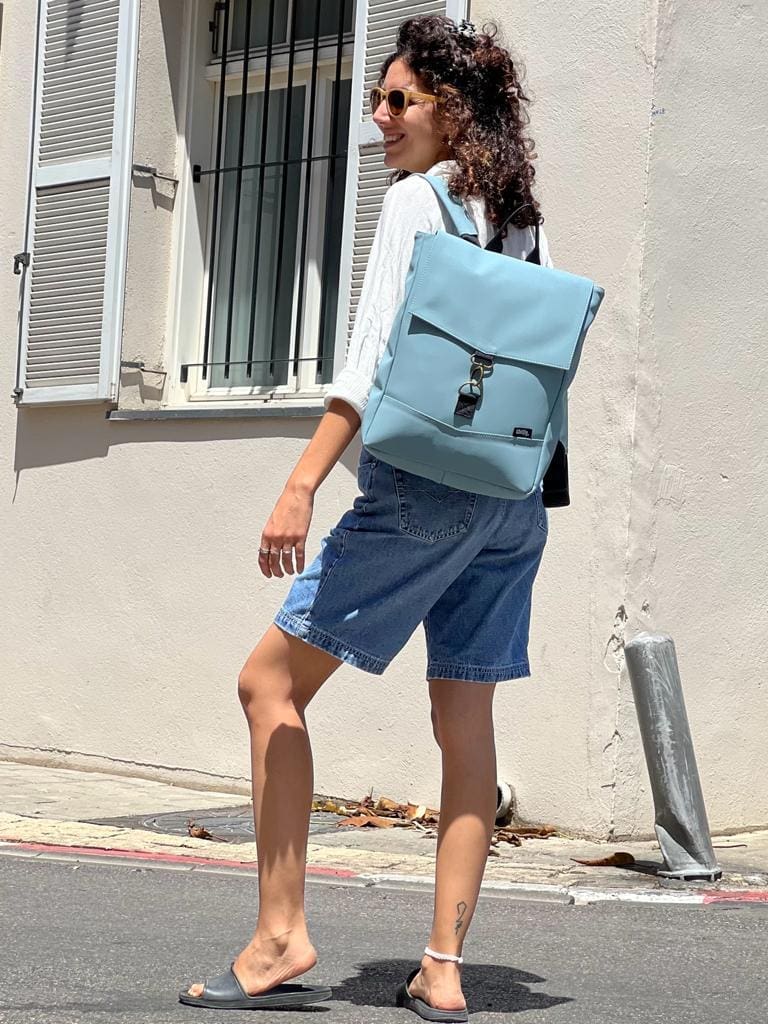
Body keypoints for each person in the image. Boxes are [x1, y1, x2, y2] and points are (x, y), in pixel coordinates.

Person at [180, 14, 553, 1021]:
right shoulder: (519, 213)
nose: (378, 118)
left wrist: (301, 482)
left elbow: (369, 360)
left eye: (396, 100)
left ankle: (279, 935)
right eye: (375, 100)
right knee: (464, 722)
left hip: (423, 494)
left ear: (450, 108)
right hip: (512, 500)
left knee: (267, 683)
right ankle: (443, 967)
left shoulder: (415, 203)